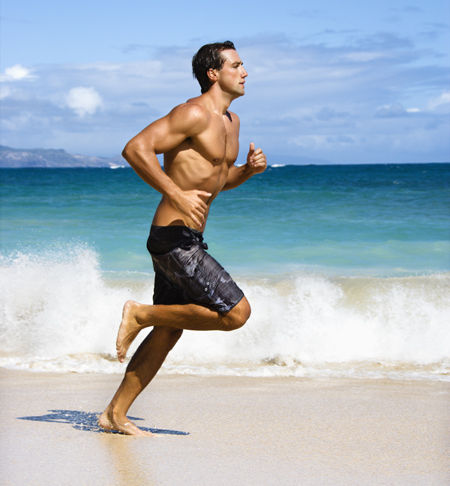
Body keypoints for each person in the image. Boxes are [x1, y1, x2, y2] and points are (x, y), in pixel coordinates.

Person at [99, 41, 267, 435]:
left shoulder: (231, 122)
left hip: (188, 237)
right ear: (214, 73)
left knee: (170, 329)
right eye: (237, 65)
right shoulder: (192, 113)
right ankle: (139, 314)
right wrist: (175, 194)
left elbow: (216, 180)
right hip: (173, 238)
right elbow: (135, 149)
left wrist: (246, 171)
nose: (245, 72)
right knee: (236, 314)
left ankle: (114, 414)